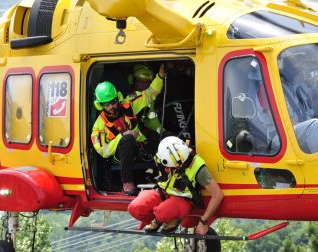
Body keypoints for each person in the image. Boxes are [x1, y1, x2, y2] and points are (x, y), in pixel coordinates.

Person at [91, 66, 166, 195]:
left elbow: (150, 94)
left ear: (118, 99)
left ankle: (166, 177)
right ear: (100, 105)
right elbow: (104, 151)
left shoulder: (129, 105)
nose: (111, 107)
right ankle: (127, 183)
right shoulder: (98, 127)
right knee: (127, 139)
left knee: (157, 137)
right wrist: (123, 136)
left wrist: (160, 76)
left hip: (139, 147)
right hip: (120, 156)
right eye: (106, 104)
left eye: (113, 102)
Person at [128, 136, 223, 235]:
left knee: (162, 213)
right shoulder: (161, 155)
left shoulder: (197, 165)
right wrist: (146, 217)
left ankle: (169, 220)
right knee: (135, 208)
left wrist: (203, 222)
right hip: (162, 191)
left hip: (182, 198)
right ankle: (158, 220)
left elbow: (217, 194)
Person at [280, 56, 318, 153]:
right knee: (315, 126)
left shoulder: (299, 84)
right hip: (281, 134)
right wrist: (306, 126)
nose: (299, 67)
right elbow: (276, 119)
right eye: (296, 63)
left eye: (300, 63)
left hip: (302, 127)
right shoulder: (272, 88)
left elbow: (309, 105)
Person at [126, 63, 165, 135]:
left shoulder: (148, 100)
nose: (143, 85)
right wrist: (159, 77)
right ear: (131, 80)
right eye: (140, 81)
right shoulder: (130, 98)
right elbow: (148, 95)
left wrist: (162, 131)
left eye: (147, 82)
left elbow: (152, 119)